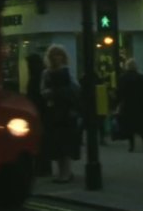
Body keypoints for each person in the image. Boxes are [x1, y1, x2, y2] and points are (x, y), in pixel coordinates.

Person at [41, 45, 81, 183]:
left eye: (59, 55)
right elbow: (43, 90)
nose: (56, 58)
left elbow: (76, 89)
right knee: (57, 144)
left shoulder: (67, 72)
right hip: (54, 111)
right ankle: (61, 172)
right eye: (53, 55)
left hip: (66, 111)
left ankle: (67, 172)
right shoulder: (46, 73)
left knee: (66, 143)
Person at [25, 52, 52, 176]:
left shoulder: (36, 77)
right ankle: (44, 167)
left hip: (39, 112)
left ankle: (42, 167)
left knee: (40, 141)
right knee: (44, 142)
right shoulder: (42, 74)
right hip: (43, 113)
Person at [116, 59, 143, 152]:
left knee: (129, 127)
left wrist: (118, 103)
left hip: (127, 105)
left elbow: (119, 92)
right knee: (142, 126)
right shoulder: (142, 78)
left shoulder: (122, 78)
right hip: (140, 105)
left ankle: (132, 146)